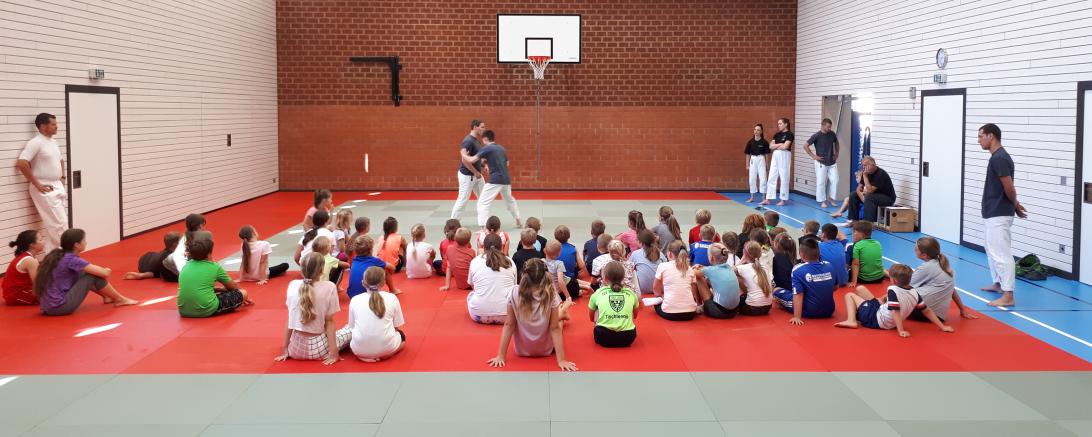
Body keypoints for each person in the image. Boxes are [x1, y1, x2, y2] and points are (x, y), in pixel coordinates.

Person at [487, 259, 577, 371]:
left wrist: (500, 355)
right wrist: (561, 360)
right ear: (546, 275)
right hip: (547, 350)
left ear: (523, 274)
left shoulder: (514, 292)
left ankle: (561, 313)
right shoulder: (551, 294)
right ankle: (562, 314)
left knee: (552, 319)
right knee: (558, 322)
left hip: (521, 350)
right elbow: (554, 329)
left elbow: (509, 325)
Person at [976, 124, 1027, 307]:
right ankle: (998, 283)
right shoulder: (996, 158)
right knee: (991, 249)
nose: (979, 140)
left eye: (981, 136)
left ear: (991, 136)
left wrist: (1015, 205)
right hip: (993, 212)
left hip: (999, 213)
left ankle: (1008, 295)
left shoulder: (1000, 158)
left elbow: (1009, 187)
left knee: (1001, 253)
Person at [36, 229, 138, 315]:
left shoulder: (59, 255)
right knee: (91, 275)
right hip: (59, 307)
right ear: (76, 244)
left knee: (83, 273)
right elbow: (104, 273)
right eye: (84, 240)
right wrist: (107, 270)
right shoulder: (72, 259)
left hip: (47, 306)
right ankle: (120, 299)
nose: (86, 242)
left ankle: (107, 296)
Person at [835, 264, 954, 337]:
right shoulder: (914, 292)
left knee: (850, 295)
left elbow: (895, 311)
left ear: (894, 281)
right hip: (882, 313)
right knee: (860, 289)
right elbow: (927, 310)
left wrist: (900, 330)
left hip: (876, 319)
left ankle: (851, 320)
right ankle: (864, 308)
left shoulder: (892, 289)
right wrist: (942, 327)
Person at [273, 253, 351, 365]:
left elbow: (290, 320)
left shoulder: (293, 285)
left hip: (295, 349)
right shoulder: (329, 287)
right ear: (322, 270)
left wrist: (285, 348)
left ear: (302, 268)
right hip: (320, 349)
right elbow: (329, 321)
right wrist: (333, 352)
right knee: (350, 329)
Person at [15, 113, 67, 253]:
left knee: (53, 227)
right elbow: (21, 163)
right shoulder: (36, 142)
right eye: (53, 124)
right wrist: (37, 184)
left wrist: (62, 177)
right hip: (44, 188)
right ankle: (67, 259)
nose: (57, 127)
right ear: (43, 126)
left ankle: (50, 262)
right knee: (60, 226)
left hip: (57, 185)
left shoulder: (53, 142)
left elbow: (60, 160)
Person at [460, 130, 522, 228]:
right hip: (506, 179)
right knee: (509, 200)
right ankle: (518, 220)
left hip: (495, 180)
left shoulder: (487, 148)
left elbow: (472, 160)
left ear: (484, 139)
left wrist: (463, 154)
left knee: (482, 203)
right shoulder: (501, 148)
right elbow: (507, 164)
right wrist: (490, 164)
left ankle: (484, 227)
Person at [348, 266, 407, 362]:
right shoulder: (392, 297)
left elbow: (352, 326)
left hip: (359, 350)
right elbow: (396, 327)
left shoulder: (355, 299)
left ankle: (366, 354)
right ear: (384, 283)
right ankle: (391, 353)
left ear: (363, 283)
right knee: (402, 335)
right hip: (387, 348)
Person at [911, 237, 976, 322]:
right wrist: (962, 309)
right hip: (939, 316)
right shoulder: (944, 266)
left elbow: (904, 288)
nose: (914, 250)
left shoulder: (925, 268)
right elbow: (951, 289)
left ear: (924, 255)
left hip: (925, 314)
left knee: (892, 300)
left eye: (916, 249)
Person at [775, 238, 837, 324]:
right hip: (829, 310)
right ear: (819, 253)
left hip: (808, 311)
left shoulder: (798, 269)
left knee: (776, 290)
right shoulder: (829, 265)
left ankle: (783, 305)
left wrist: (797, 317)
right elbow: (835, 287)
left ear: (802, 255)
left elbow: (798, 294)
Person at [467, 233, 517, 324]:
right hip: (507, 315)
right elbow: (513, 286)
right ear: (501, 247)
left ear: (484, 248)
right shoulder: (510, 262)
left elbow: (473, 286)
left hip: (479, 314)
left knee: (470, 295)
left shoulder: (475, 261)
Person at [588, 261, 639, 348]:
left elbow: (591, 316)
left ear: (605, 278)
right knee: (631, 306)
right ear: (623, 278)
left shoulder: (599, 292)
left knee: (596, 305)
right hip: (628, 338)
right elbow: (635, 316)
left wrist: (595, 322)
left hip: (603, 337)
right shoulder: (630, 293)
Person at [653, 241, 699, 321]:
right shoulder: (690, 269)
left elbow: (656, 289)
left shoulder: (663, 266)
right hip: (690, 313)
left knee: (656, 303)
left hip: (669, 313)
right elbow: (693, 293)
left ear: (669, 254)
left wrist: (662, 298)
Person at [450, 119, 486, 220]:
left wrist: (484, 165)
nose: (484, 129)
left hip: (477, 176)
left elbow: (477, 157)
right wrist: (475, 172)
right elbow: (465, 160)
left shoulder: (476, 141)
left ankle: (484, 222)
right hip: (467, 176)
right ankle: (453, 223)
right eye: (482, 127)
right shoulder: (468, 141)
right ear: (475, 127)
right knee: (463, 200)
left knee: (484, 198)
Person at [693, 243, 740, 318]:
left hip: (719, 311)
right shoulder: (730, 268)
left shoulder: (710, 270)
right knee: (713, 280)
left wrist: (695, 268)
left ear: (711, 258)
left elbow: (693, 273)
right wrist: (704, 268)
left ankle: (699, 305)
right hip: (734, 311)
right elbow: (714, 270)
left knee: (699, 278)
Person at [848, 156, 896, 224]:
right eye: (863, 166)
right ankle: (854, 221)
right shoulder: (865, 172)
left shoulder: (880, 174)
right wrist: (862, 198)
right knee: (853, 195)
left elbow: (870, 190)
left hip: (887, 198)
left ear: (873, 165)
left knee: (869, 197)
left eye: (865, 165)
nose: (864, 168)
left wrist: (865, 176)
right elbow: (858, 189)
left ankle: (868, 223)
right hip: (874, 196)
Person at [806, 118, 840, 208]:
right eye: (828, 127)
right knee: (821, 182)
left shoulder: (832, 134)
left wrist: (837, 153)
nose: (829, 128)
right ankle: (823, 201)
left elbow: (837, 143)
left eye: (830, 127)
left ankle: (832, 198)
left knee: (835, 180)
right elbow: (805, 145)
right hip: (821, 162)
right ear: (823, 125)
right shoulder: (817, 135)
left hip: (832, 162)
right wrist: (813, 156)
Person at [4, 230, 44, 305]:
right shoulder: (30, 260)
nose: (43, 242)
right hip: (17, 295)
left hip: (14, 293)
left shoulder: (28, 257)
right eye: (40, 240)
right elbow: (38, 284)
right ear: (32, 245)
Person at [761, 117, 794, 206]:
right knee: (772, 176)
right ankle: (768, 199)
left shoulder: (789, 134)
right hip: (775, 155)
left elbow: (785, 147)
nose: (778, 125)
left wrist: (777, 145)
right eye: (778, 124)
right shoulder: (777, 135)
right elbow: (770, 146)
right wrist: (780, 144)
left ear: (786, 124)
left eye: (780, 124)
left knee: (784, 177)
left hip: (784, 155)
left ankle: (783, 199)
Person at [736, 241, 773, 316]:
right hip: (767, 307)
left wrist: (742, 260)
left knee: (735, 277)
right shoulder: (765, 267)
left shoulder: (743, 268)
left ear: (745, 253)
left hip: (751, 308)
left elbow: (728, 272)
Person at [165, 213, 206, 278]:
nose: (204, 228)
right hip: (185, 269)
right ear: (200, 226)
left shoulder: (186, 236)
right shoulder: (197, 239)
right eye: (203, 225)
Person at [848, 221, 884, 287]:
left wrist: (854, 281)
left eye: (854, 232)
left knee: (846, 273)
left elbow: (856, 264)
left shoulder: (857, 246)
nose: (852, 234)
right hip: (880, 278)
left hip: (864, 279)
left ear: (860, 234)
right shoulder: (877, 243)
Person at [630, 229, 663, 295]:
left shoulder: (635, 254)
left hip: (642, 291)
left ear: (640, 242)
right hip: (659, 289)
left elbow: (629, 269)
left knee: (631, 271)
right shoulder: (661, 254)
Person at [745, 123, 771, 203]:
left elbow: (767, 154)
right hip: (753, 159)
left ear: (761, 132)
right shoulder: (750, 142)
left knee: (763, 178)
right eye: (755, 130)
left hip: (761, 159)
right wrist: (747, 165)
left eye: (758, 130)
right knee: (752, 179)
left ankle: (764, 198)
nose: (756, 131)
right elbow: (747, 154)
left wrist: (767, 165)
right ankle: (752, 197)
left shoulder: (764, 142)